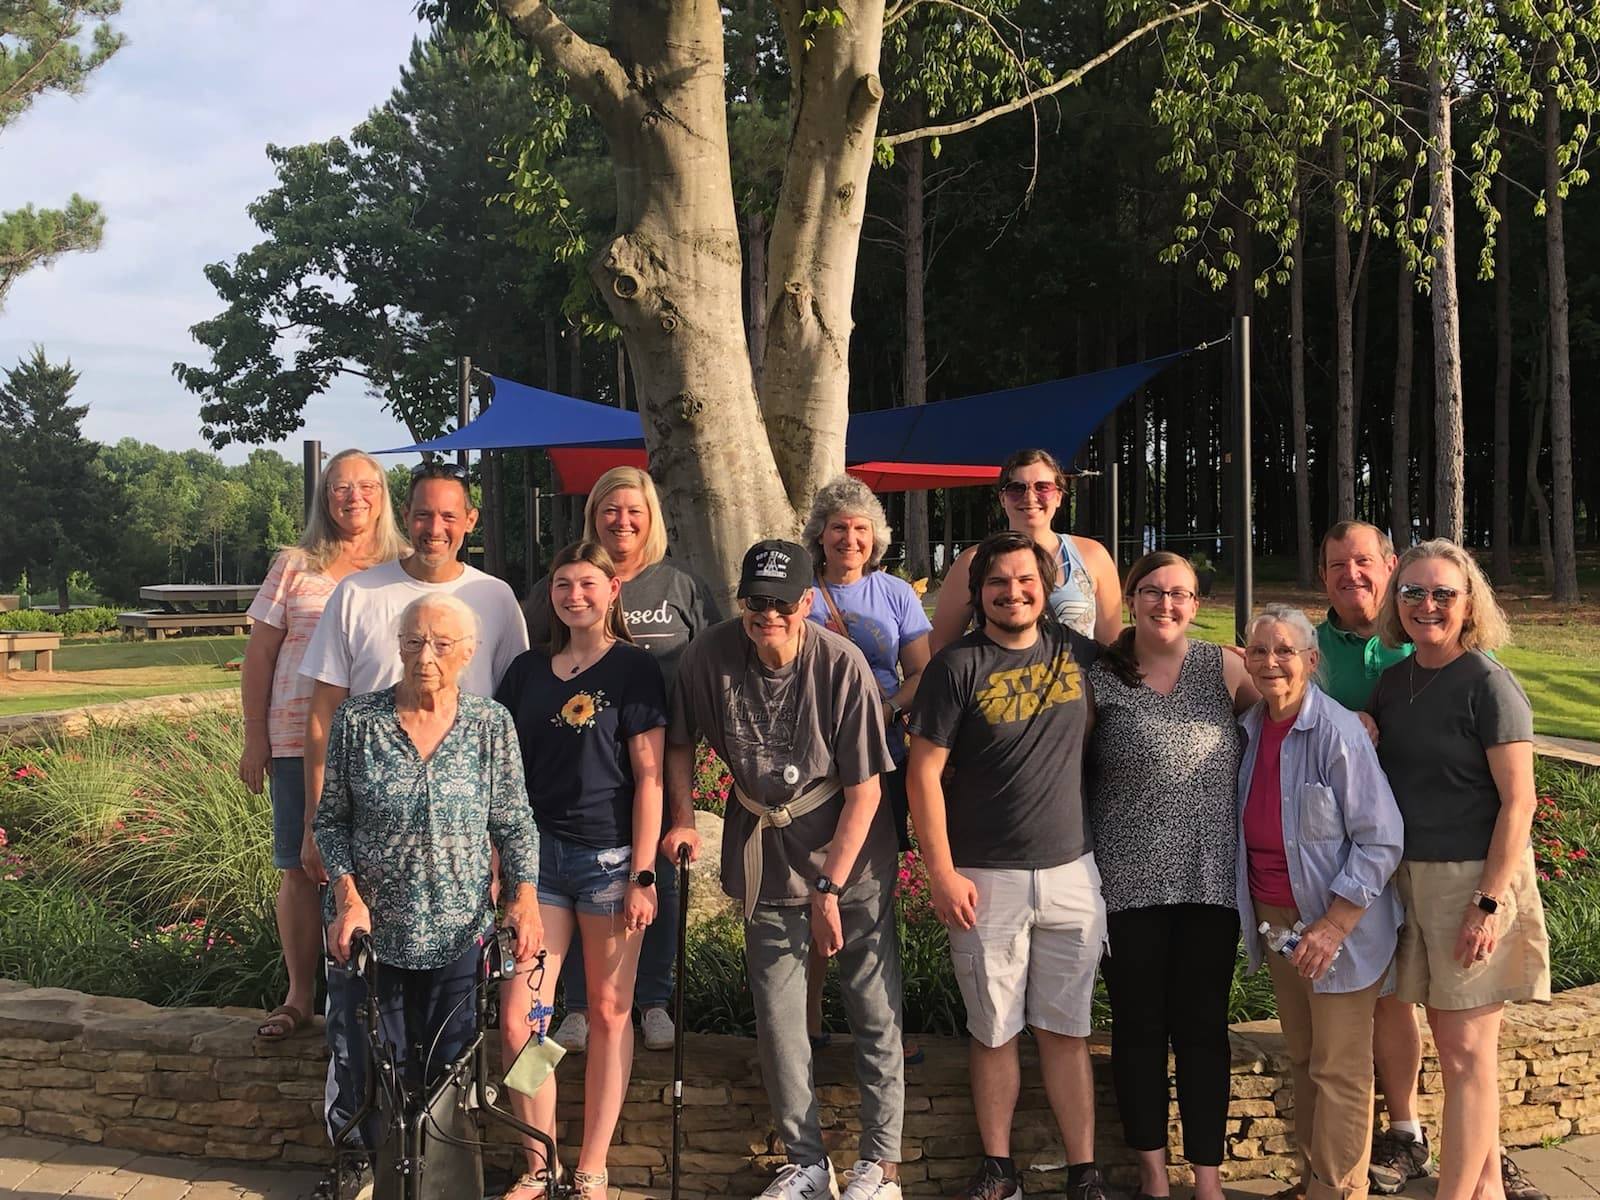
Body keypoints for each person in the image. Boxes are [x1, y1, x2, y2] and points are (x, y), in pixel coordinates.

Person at [298, 460, 529, 1183]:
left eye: (442, 646)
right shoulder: (362, 719)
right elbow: (333, 815)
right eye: (412, 644)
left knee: (453, 1055)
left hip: (460, 919)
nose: (425, 656)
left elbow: (514, 819)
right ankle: (364, 1166)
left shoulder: (491, 717)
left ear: (468, 653)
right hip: (378, 919)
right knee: (364, 1047)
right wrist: (346, 893)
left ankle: (443, 1176)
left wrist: (521, 895)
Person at [662, 539, 905, 1200]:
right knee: (778, 1017)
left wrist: (830, 887)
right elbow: (678, 743)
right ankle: (805, 1162)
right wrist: (682, 817)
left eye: (780, 603)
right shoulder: (707, 656)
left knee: (871, 1005)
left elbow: (866, 792)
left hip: (851, 855)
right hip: (764, 851)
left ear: (805, 602)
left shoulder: (842, 664)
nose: (767, 614)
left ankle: (881, 1165)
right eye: (755, 601)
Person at [908, 531, 1109, 1200]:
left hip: (1071, 871)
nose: (1013, 591)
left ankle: (1084, 1171)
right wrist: (940, 871)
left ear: (1046, 587)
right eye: (999, 582)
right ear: (979, 593)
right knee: (993, 1029)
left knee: (1066, 1030)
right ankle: (998, 1169)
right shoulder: (956, 666)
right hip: (983, 875)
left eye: (1026, 580)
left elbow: (1157, 684)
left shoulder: (1082, 656)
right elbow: (924, 774)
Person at [1369, 540, 1551, 1200]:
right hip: (1410, 879)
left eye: (1443, 593)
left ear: (1468, 602)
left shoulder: (1488, 683)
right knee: (1457, 1055)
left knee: (1467, 1056)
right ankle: (1485, 1194)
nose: (1427, 605)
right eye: (1413, 592)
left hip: (1474, 881)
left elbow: (1520, 801)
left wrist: (1488, 903)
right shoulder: (1395, 682)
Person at [526, 466, 720, 1055]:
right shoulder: (558, 585)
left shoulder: (679, 586)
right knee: (568, 901)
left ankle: (652, 1000)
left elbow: (711, 663)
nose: (622, 520)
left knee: (647, 881)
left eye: (633, 509)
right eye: (610, 509)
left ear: (652, 516)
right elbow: (534, 667)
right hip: (573, 771)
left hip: (655, 766)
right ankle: (571, 1014)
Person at [495, 542, 668, 1200]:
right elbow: (503, 779)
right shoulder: (526, 671)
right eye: (563, 584)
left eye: (587, 584)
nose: (575, 595)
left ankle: (592, 1163)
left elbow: (650, 777)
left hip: (609, 863)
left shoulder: (633, 671)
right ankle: (540, 1162)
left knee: (607, 1011)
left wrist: (644, 873)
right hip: (538, 863)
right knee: (522, 1021)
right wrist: (504, 864)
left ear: (612, 589)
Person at [1085, 550, 1257, 1200]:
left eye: (1180, 593)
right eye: (1154, 591)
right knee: (1138, 1030)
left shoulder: (1225, 668)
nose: (1167, 603)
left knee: (1203, 1030)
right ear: (1132, 598)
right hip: (1126, 886)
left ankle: (1207, 1179)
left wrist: (1357, 720)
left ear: (1196, 603)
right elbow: (1063, 768)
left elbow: (1293, 715)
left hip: (1211, 883)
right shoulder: (1100, 677)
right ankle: (1154, 1176)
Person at [1236, 604, 1404, 1200]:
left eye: (1285, 650)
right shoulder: (1253, 727)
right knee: (1306, 1059)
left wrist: (1333, 925)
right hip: (1279, 923)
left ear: (1311, 660)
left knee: (1340, 1068)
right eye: (1259, 650)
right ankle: (1315, 1180)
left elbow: (1381, 838)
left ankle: (1338, 1190)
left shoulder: (1336, 731)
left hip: (1338, 926)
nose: (1270, 661)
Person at [239, 449, 407, 1042]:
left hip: (381, 743)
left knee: (379, 870)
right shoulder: (295, 565)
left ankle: (373, 1000)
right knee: (302, 865)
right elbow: (260, 653)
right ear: (324, 496)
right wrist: (255, 736)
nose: (353, 497)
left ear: (384, 494)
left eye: (365, 486)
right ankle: (299, 996)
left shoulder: (402, 567)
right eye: (340, 487)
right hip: (294, 738)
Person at [800, 476, 932, 1056]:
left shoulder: (896, 594)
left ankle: (880, 1031)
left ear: (875, 538)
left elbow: (923, 674)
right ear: (819, 536)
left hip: (880, 759)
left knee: (871, 895)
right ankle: (805, 1024)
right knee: (808, 889)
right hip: (809, 768)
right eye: (838, 528)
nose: (850, 539)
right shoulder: (799, 591)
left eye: (860, 529)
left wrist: (881, 706)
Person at [929, 448, 1121, 652]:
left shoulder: (1093, 556)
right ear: (1002, 499)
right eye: (1016, 489)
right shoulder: (973, 561)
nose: (1030, 497)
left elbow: (1112, 648)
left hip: (1079, 682)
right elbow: (940, 645)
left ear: (1058, 497)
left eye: (1043, 488)